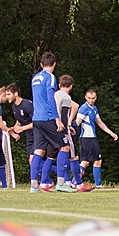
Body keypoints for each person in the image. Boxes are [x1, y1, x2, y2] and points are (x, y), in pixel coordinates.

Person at [29, 52, 76, 193]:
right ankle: (61, 183)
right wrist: (57, 119)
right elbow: (50, 98)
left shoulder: (35, 78)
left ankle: (34, 186)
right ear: (54, 64)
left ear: (41, 64)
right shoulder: (50, 77)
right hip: (47, 117)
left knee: (39, 150)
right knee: (65, 146)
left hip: (36, 119)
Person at [55, 75, 92, 192]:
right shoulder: (65, 97)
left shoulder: (54, 95)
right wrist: (68, 127)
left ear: (59, 85)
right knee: (72, 156)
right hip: (62, 128)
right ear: (71, 86)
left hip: (52, 127)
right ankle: (77, 184)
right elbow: (67, 112)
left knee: (56, 154)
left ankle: (64, 181)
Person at [76, 89, 118, 188]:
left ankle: (75, 182)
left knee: (85, 162)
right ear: (85, 97)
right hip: (88, 138)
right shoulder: (83, 108)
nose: (91, 100)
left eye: (93, 98)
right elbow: (77, 122)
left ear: (96, 98)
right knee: (97, 160)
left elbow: (100, 123)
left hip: (89, 138)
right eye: (89, 98)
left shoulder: (94, 108)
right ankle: (97, 185)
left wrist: (111, 133)